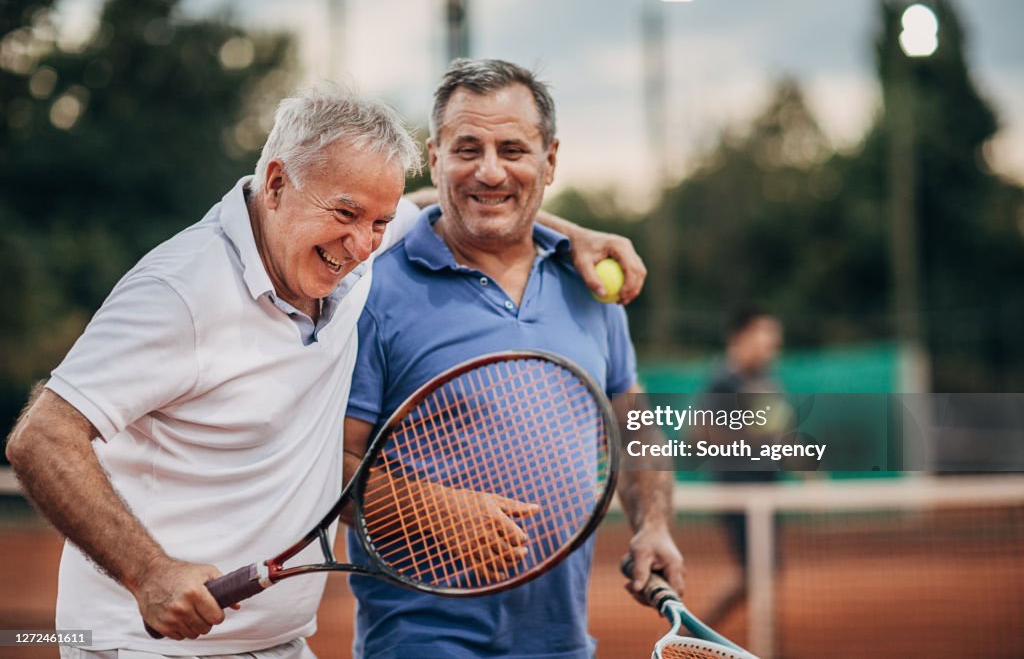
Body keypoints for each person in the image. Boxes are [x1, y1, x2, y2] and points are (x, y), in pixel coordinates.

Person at [5, 81, 647, 658]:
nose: (363, 242)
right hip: (148, 646)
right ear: (277, 182)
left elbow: (451, 203)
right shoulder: (180, 292)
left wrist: (575, 235)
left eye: (377, 222)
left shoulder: (349, 251)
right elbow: (40, 436)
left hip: (276, 641)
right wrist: (147, 571)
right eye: (345, 215)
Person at [343, 58, 684, 659]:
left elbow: (634, 422)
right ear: (435, 157)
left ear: (550, 160)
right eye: (467, 148)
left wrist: (652, 524)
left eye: (513, 149)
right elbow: (328, 466)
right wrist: (432, 510)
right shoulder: (372, 291)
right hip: (422, 640)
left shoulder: (593, 287)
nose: (490, 170)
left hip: (559, 640)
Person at [692, 306, 786, 627]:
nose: (771, 345)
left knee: (766, 571)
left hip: (766, 489)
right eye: (764, 336)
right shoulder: (723, 381)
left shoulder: (765, 380)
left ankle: (766, 642)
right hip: (738, 490)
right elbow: (701, 435)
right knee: (755, 571)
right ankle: (697, 635)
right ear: (741, 337)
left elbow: (779, 431)